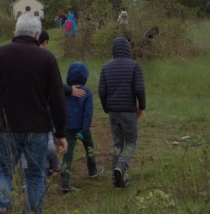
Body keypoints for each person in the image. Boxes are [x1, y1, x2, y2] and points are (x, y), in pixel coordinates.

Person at [0, 15, 67, 214]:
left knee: (3, 170)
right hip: (38, 128)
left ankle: (0, 205)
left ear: (15, 33)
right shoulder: (47, 58)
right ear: (36, 35)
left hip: (6, 127)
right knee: (35, 175)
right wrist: (60, 132)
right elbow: (57, 97)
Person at [97, 37, 146, 189]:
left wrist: (106, 108)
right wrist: (141, 107)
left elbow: (101, 91)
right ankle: (121, 167)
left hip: (113, 111)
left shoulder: (106, 67)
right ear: (128, 50)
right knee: (131, 141)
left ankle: (116, 179)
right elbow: (139, 89)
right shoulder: (135, 66)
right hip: (129, 111)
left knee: (118, 142)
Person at [60, 61, 104, 193]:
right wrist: (84, 131)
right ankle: (92, 169)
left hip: (67, 128)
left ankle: (65, 181)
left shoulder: (65, 91)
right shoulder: (87, 92)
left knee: (68, 154)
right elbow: (88, 114)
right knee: (89, 147)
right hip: (82, 128)